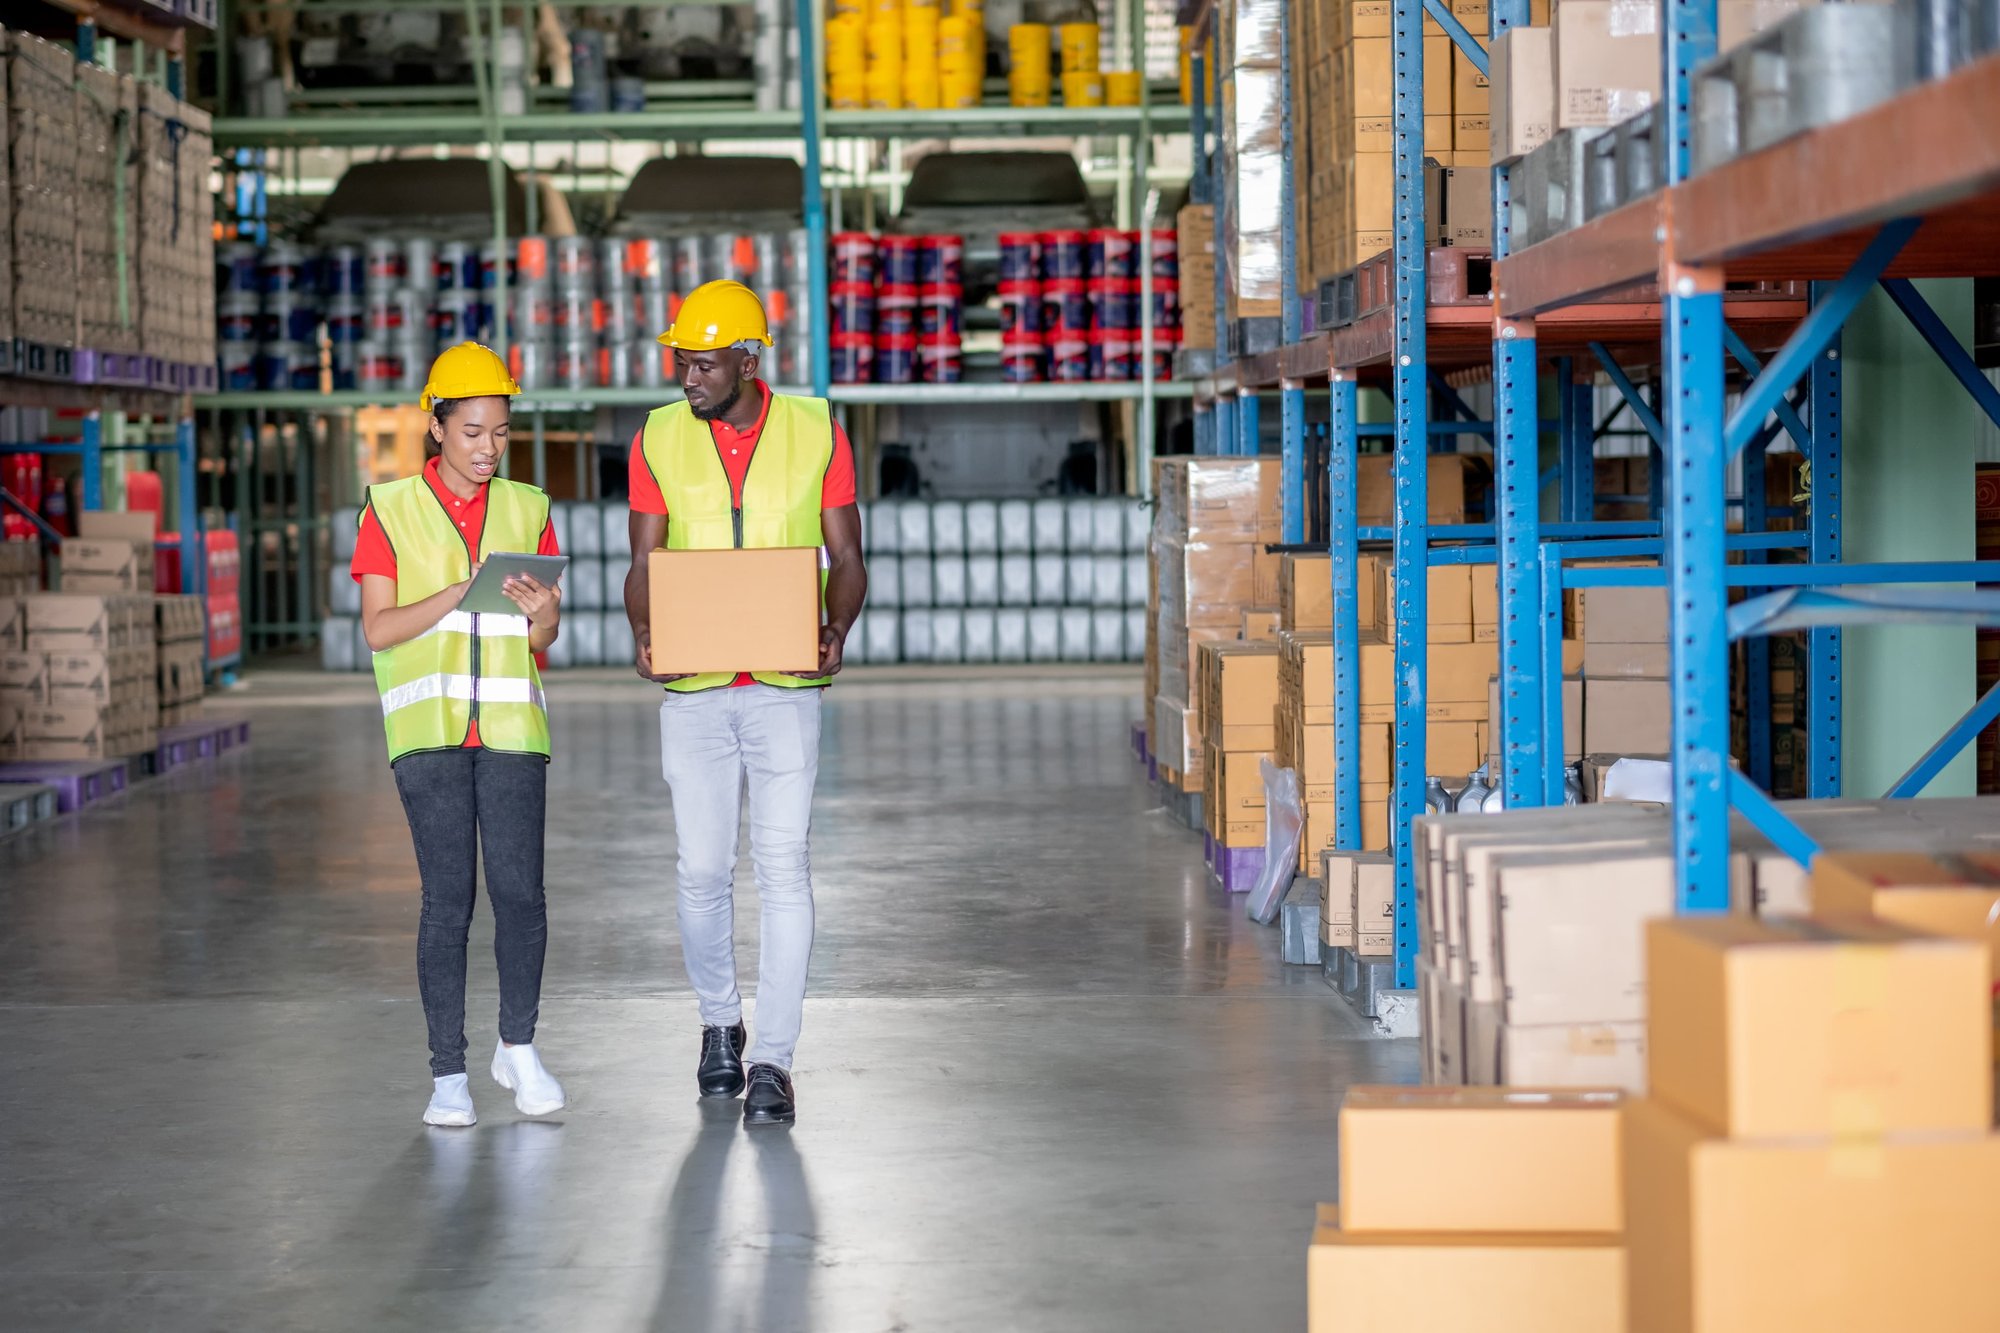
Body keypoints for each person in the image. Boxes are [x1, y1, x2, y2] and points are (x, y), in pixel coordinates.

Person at [623, 280, 867, 1127]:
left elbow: (847, 556)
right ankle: (720, 1024)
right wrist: (645, 630)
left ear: (749, 362)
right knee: (701, 869)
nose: (688, 377)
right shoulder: (657, 435)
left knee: (784, 866)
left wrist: (834, 628)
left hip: (784, 689)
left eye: (704, 364)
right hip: (694, 691)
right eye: (682, 362)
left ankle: (774, 1059)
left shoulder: (817, 429)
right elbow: (643, 562)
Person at [350, 341, 569, 1128]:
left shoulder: (528, 508)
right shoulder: (389, 510)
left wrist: (545, 614)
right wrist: (458, 591)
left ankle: (519, 1046)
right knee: (449, 902)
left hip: (511, 727)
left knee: (521, 895)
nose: (488, 448)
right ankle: (448, 1073)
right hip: (430, 731)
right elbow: (378, 629)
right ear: (437, 425)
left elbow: (542, 639)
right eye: (473, 431)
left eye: (501, 432)